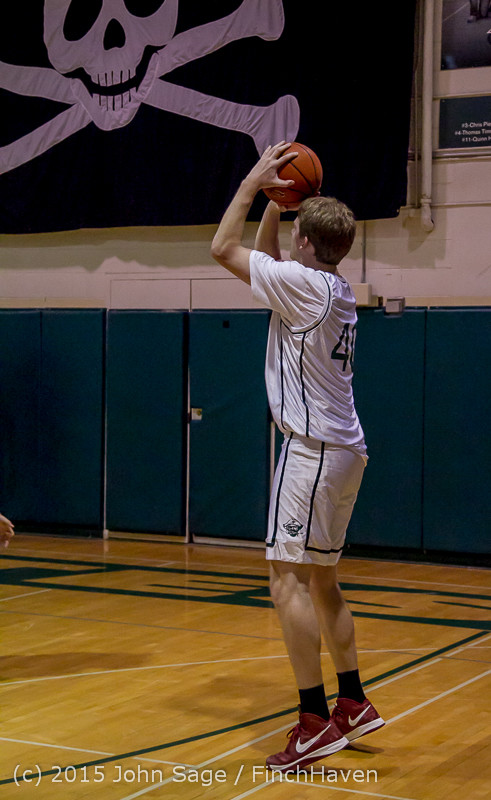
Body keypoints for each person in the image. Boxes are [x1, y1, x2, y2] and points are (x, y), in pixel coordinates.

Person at [211, 141, 384, 772]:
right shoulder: (330, 287)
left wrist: (254, 184)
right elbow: (269, 260)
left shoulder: (303, 287)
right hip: (346, 449)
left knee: (285, 580)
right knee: (324, 580)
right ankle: (352, 702)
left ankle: (313, 722)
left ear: (308, 242)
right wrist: (282, 204)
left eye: (295, 232)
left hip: (311, 450)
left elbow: (223, 249)